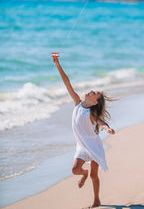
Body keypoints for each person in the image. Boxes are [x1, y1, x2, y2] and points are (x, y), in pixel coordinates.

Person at [52, 55, 115, 208]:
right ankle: (83, 174)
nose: (92, 91)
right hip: (81, 145)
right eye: (93, 91)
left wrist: (106, 127)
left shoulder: (91, 113)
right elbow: (67, 83)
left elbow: (100, 121)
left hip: (93, 145)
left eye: (95, 94)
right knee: (75, 170)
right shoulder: (77, 103)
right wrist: (57, 65)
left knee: (95, 175)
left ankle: (96, 200)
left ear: (94, 102)